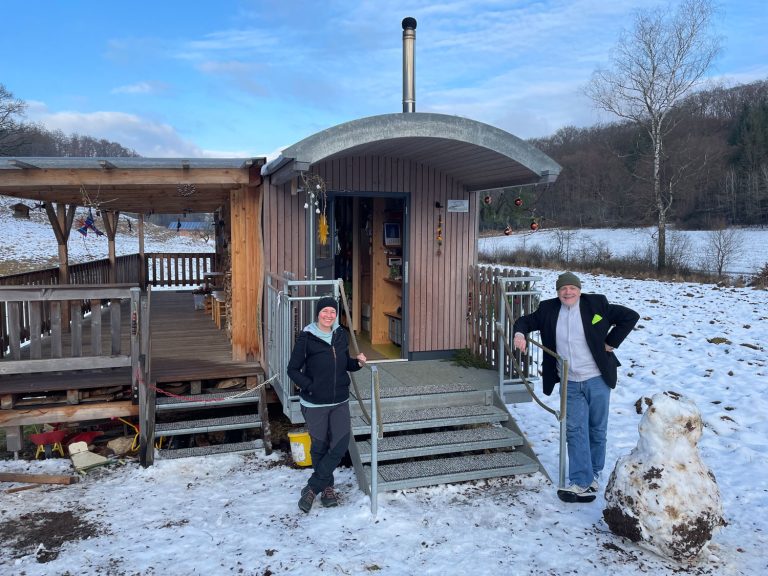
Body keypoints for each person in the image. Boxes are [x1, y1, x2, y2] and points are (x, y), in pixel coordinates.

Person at [512, 272, 639, 503]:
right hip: (569, 380)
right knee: (574, 429)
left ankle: (594, 474)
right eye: (563, 289)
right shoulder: (548, 309)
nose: (567, 292)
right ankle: (581, 481)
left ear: (579, 290)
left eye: (572, 288)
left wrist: (611, 343)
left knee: (596, 428)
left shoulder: (596, 304)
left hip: (597, 378)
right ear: (557, 291)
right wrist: (519, 334)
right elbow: (525, 321)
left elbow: (630, 316)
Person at [287, 296, 367, 513]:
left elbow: (343, 363)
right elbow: (292, 370)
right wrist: (310, 386)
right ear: (318, 313)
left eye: (333, 311)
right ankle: (328, 487)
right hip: (315, 403)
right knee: (320, 446)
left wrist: (357, 363)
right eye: (325, 311)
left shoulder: (340, 335)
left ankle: (312, 488)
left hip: (340, 399)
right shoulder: (306, 338)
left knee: (340, 444)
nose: (329, 315)